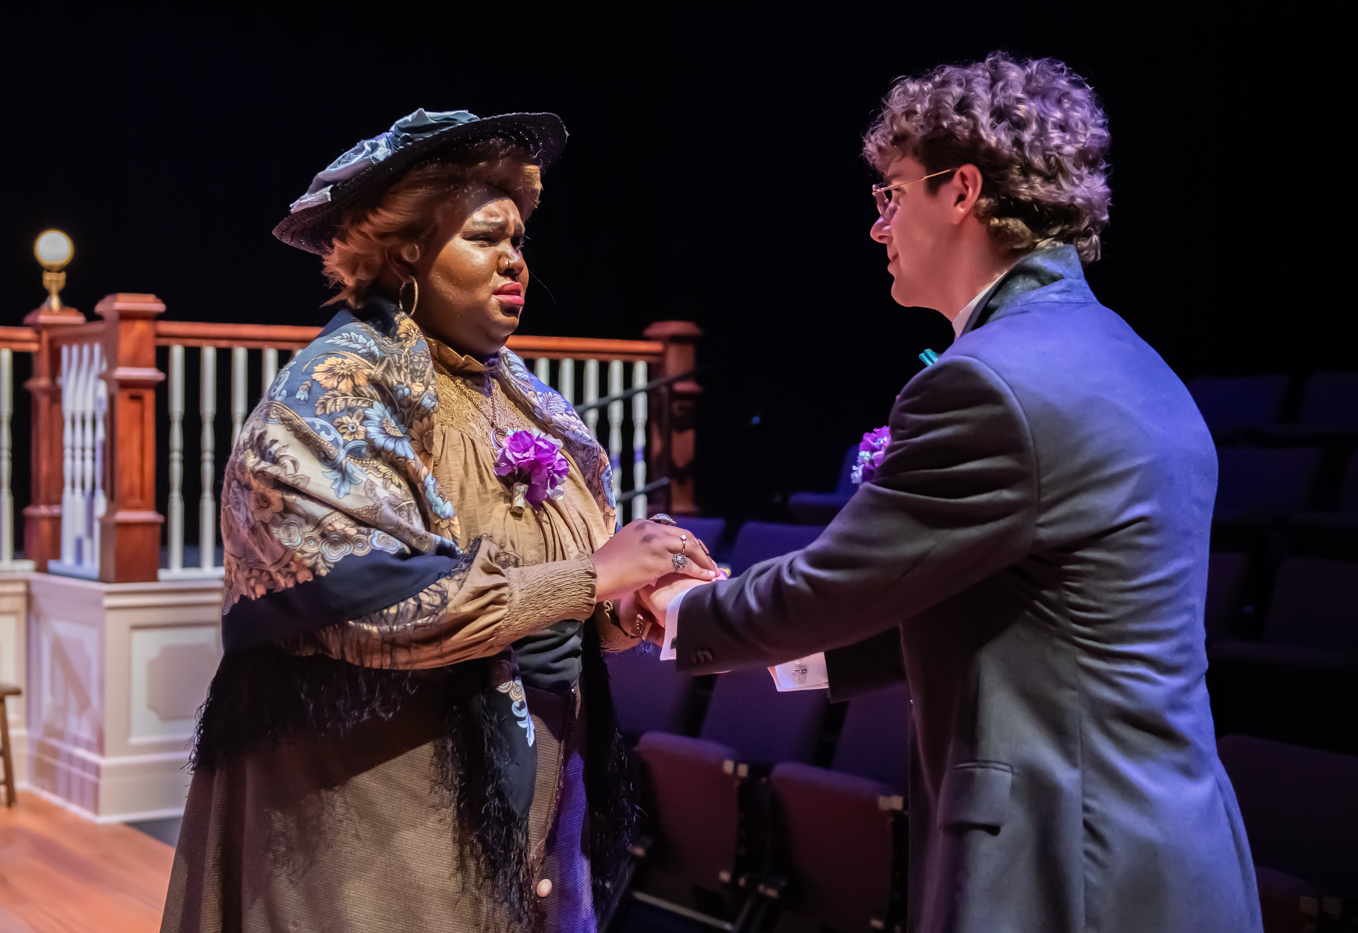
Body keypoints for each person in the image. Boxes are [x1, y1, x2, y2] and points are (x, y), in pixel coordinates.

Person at [643, 54, 1262, 932]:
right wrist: (804, 657)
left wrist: (679, 607)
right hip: (1161, 850)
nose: (878, 226)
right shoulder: (1127, 355)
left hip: (1067, 862)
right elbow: (1004, 609)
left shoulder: (991, 383)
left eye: (891, 194)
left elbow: (833, 583)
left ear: (962, 190)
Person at [161, 108, 716, 933]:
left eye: (519, 239)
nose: (514, 260)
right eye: (486, 237)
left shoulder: (525, 396)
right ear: (405, 251)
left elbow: (558, 582)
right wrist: (593, 576)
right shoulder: (333, 389)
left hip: (533, 829)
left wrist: (627, 602)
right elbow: (373, 598)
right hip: (379, 838)